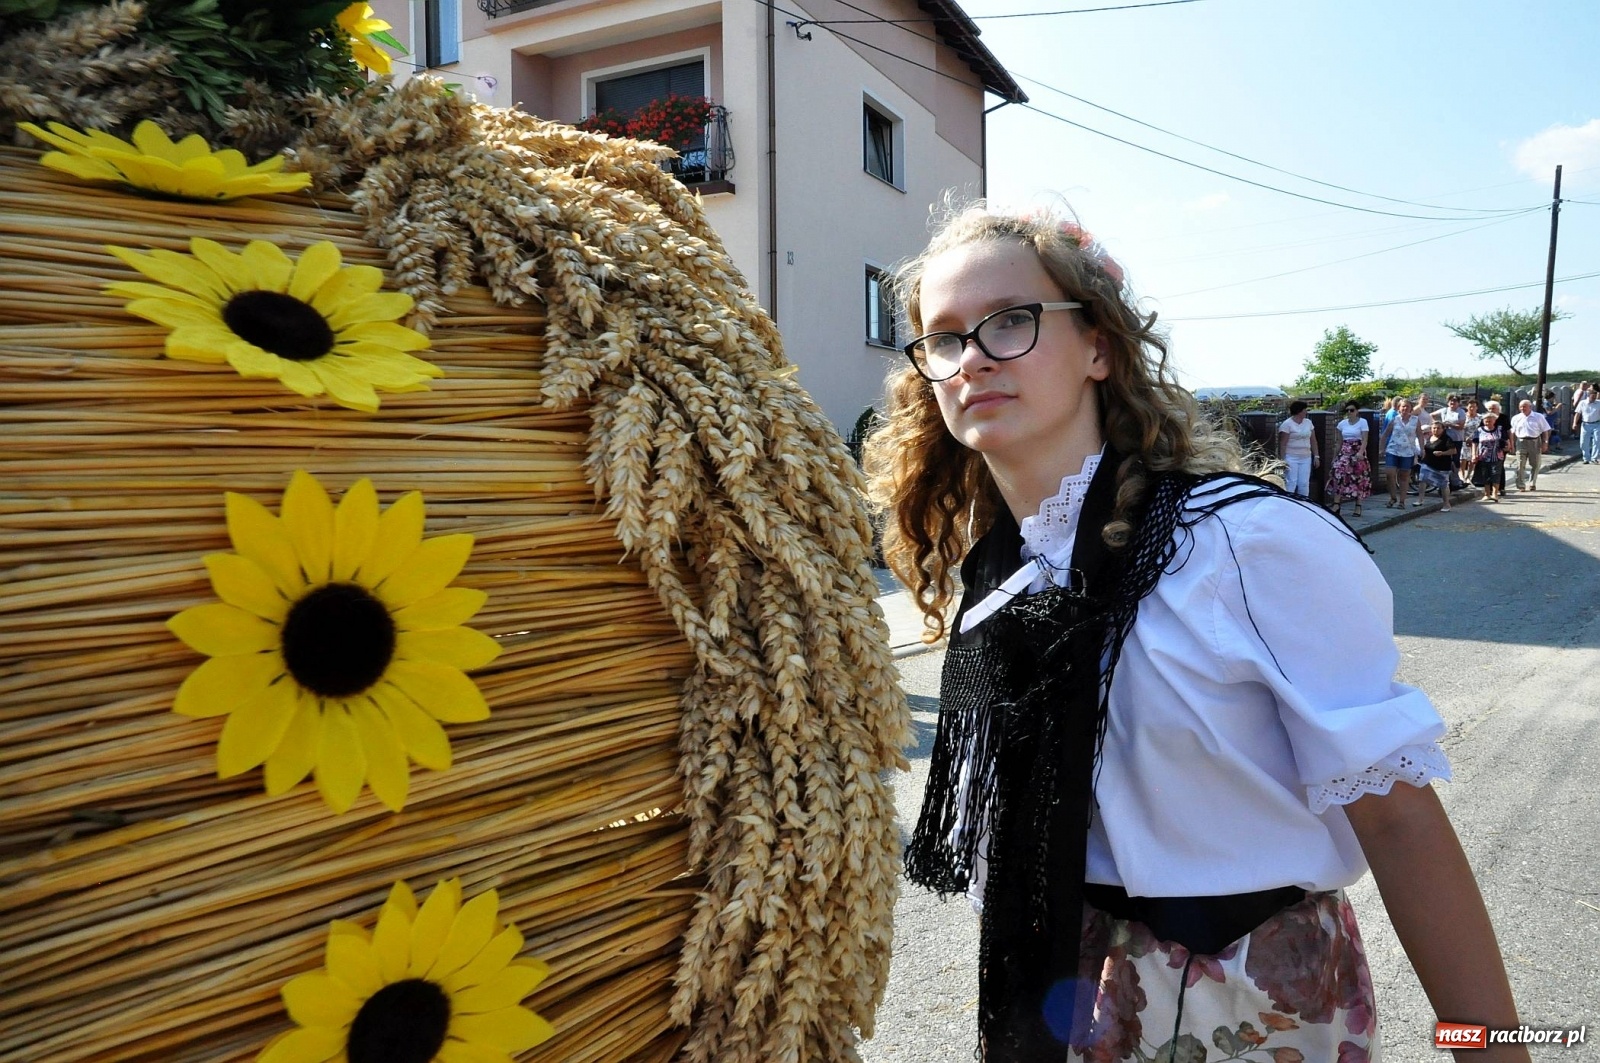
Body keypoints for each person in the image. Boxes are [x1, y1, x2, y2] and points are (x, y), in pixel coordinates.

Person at [866, 204, 1526, 1063]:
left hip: (1245, 994)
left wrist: (1498, 1050)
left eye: (1011, 322)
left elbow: (1400, 823)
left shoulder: (1245, 546)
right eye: (945, 338)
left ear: (1100, 347)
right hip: (1059, 993)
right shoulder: (1001, 576)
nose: (974, 357)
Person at [1327, 401, 1371, 517]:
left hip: (1357, 450)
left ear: (1357, 411)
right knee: (1338, 474)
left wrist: (1361, 452)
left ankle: (1358, 505)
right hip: (1345, 451)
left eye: (1352, 410)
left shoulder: (1363, 422)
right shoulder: (1342, 424)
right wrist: (1335, 457)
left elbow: (1365, 439)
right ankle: (1336, 504)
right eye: (1347, 410)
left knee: (1358, 477)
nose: (1349, 413)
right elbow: (1339, 442)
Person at [1379, 397, 1423, 508]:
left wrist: (1422, 449)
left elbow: (1420, 435)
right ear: (1399, 408)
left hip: (1408, 451)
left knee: (1404, 476)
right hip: (1393, 449)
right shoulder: (1395, 420)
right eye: (1403, 406)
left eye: (1407, 406)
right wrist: (1381, 448)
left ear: (1411, 408)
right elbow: (1385, 434)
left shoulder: (1415, 420)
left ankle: (1402, 501)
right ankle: (1393, 497)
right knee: (1390, 473)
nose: (1405, 408)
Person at [1277, 400, 1320, 498]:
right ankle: (1289, 502)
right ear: (1299, 411)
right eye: (1305, 410)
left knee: (1304, 483)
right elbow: (1283, 444)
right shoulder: (1287, 424)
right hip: (1291, 457)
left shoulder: (1308, 423)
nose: (1306, 412)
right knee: (1292, 481)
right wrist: (1283, 460)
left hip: (1306, 457)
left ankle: (1304, 503)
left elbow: (1313, 440)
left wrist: (1316, 456)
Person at [1509, 398, 1551, 491]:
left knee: (1535, 464)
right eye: (1520, 407)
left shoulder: (1538, 416)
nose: (1522, 408)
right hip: (1521, 442)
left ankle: (1532, 483)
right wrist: (1511, 444)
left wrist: (1545, 443)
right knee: (1520, 464)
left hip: (1535, 441)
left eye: (1524, 406)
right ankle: (1521, 485)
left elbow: (1545, 430)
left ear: (1530, 407)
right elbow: (1512, 432)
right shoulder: (1516, 418)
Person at [1418, 420, 1459, 510]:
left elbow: (1453, 451)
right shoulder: (1429, 437)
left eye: (1438, 428)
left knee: (1443, 485)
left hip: (1442, 465)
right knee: (1422, 478)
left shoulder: (1446, 439)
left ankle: (1446, 504)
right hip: (1428, 463)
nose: (1436, 430)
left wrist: (1442, 453)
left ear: (1443, 429)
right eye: (1434, 428)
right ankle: (1420, 500)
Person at [1473, 408, 1508, 503]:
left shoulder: (1500, 429)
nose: (1488, 422)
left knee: (1496, 474)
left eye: (1490, 421)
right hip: (1483, 456)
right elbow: (1475, 443)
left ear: (1494, 421)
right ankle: (1487, 494)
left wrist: (1507, 447)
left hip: (1497, 456)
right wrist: (1474, 454)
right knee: (1485, 475)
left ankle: (1495, 494)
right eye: (1486, 421)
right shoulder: (1479, 430)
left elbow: (1506, 440)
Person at [1573, 382, 1600, 464]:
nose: (1594, 399)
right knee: (1584, 442)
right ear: (1589, 396)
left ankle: (1594, 458)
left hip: (1597, 424)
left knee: (1597, 441)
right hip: (1585, 424)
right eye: (1593, 397)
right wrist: (1574, 423)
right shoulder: (1583, 403)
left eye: (1595, 397)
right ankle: (1586, 458)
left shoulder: (1598, 403)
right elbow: (1577, 413)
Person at [1460, 398, 1483, 485]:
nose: (1472, 408)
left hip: (1476, 441)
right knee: (1463, 459)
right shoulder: (1463, 416)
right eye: (1470, 407)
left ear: (1477, 407)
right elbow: (1461, 428)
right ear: (1467, 407)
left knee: (1472, 459)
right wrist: (1465, 438)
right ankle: (1462, 476)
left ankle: (1468, 476)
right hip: (1465, 440)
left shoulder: (1480, 417)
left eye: (1474, 407)